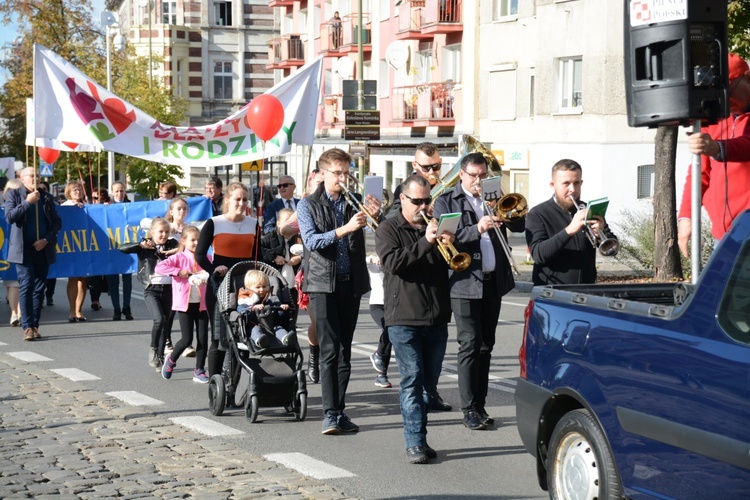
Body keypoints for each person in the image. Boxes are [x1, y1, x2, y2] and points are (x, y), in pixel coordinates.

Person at [433, 152, 524, 430]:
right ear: (461, 175)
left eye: (483, 175)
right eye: (473, 175)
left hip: (492, 282)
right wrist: (477, 228)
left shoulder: (492, 197)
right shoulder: (446, 201)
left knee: (486, 346)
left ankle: (480, 405)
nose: (478, 181)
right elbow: (444, 238)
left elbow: (519, 224)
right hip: (463, 283)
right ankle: (469, 408)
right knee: (470, 344)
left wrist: (503, 207)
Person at [296, 148, 380, 435]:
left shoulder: (351, 203)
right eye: (337, 173)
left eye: (346, 173)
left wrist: (373, 216)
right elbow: (311, 241)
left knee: (345, 350)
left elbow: (372, 234)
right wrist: (345, 229)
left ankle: (340, 411)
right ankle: (329, 414)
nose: (343, 179)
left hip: (350, 282)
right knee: (330, 350)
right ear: (321, 174)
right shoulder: (307, 205)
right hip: (321, 284)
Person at [375, 174, 452, 463]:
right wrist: (426, 242)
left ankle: (420, 435)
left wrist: (449, 241)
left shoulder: (434, 225)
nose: (423, 206)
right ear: (402, 199)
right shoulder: (388, 228)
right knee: (412, 380)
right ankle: (415, 442)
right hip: (404, 317)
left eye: (427, 200)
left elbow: (455, 263)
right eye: (417, 200)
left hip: (436, 316)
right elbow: (394, 263)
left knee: (429, 383)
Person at [678, 52, 750, 258]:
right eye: (720, 95)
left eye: (730, 91)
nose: (726, 101)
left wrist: (717, 148)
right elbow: (699, 171)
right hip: (724, 235)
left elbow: (746, 145)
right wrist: (686, 216)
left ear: (747, 78)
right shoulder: (715, 117)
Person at [196, 182, 260, 378]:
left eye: (245, 200)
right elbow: (199, 255)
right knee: (219, 338)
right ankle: (216, 385)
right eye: (237, 199)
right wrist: (214, 269)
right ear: (228, 200)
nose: (241, 203)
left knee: (242, 337)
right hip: (220, 286)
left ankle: (233, 385)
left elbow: (260, 258)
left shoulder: (253, 223)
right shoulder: (214, 223)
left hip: (245, 288)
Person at [525, 159, 616, 286]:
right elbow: (538, 255)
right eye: (566, 183)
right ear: (553, 185)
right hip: (551, 292)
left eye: (576, 183)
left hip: (586, 290)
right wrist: (569, 230)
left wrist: (601, 234)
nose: (572, 189)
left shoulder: (588, 209)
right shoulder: (538, 213)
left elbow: (612, 249)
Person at [4, 166, 62, 340]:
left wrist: (46, 239)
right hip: (23, 250)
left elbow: (57, 222)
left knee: (39, 288)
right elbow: (10, 217)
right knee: (27, 284)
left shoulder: (46, 197)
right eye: (31, 175)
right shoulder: (13, 195)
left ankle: (35, 325)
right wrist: (28, 202)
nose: (35, 178)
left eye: (37, 175)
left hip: (42, 248)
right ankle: (27, 326)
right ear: (22, 179)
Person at [280, 168, 326, 384]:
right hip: (312, 269)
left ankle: (330, 361)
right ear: (310, 183)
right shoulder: (306, 204)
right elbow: (285, 229)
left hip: (338, 270)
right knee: (317, 321)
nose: (322, 187)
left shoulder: (338, 201)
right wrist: (296, 228)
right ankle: (314, 357)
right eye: (318, 183)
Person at [120, 217, 179, 370]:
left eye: (166, 232)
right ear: (152, 232)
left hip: (170, 288)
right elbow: (122, 248)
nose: (163, 235)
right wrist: (140, 244)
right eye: (160, 232)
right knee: (159, 319)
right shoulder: (145, 245)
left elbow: (186, 247)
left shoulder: (172, 244)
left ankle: (160, 355)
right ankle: (153, 348)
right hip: (151, 288)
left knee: (166, 323)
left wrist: (173, 249)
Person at [155, 226, 210, 383]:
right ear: (184, 241)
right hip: (184, 305)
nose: (196, 242)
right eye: (193, 240)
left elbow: (212, 269)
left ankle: (199, 370)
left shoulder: (205, 257)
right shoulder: (179, 258)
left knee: (203, 338)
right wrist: (179, 272)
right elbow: (160, 267)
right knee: (187, 339)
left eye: (199, 240)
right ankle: (171, 360)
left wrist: (210, 274)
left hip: (202, 304)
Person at [165, 196, 193, 355]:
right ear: (171, 211)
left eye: (184, 208)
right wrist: (170, 230)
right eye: (178, 208)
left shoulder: (190, 228)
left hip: (185, 276)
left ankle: (186, 342)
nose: (182, 211)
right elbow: (146, 224)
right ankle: (167, 340)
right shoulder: (167, 228)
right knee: (170, 311)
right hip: (170, 275)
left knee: (186, 310)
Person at [237, 269, 294, 348]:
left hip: (271, 325)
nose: (262, 289)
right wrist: (252, 309)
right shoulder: (246, 300)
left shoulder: (272, 298)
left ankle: (286, 339)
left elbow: (279, 316)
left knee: (279, 328)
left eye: (264, 286)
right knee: (255, 330)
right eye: (258, 287)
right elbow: (241, 311)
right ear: (248, 288)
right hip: (254, 325)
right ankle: (260, 341)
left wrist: (282, 309)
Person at [261, 207, 303, 304]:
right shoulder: (271, 237)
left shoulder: (298, 237)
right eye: (287, 221)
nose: (290, 224)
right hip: (277, 285)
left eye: (293, 222)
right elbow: (259, 248)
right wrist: (274, 257)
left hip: (294, 285)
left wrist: (299, 258)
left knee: (293, 313)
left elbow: (309, 253)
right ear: (278, 223)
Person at [61, 181, 89, 323]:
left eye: (79, 190)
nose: (78, 192)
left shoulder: (88, 206)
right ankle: (72, 310)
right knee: (73, 277)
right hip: (72, 246)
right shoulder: (65, 207)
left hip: (86, 246)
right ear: (69, 193)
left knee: (83, 279)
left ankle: (79, 310)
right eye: (74, 190)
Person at [106, 181, 134, 321]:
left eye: (121, 191)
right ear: (112, 192)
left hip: (127, 247)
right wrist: (104, 207)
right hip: (112, 247)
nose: (119, 193)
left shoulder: (131, 205)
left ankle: (126, 307)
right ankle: (116, 309)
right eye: (116, 191)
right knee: (113, 281)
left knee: (127, 280)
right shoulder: (107, 206)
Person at [3, 179, 24, 326]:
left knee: (15, 284)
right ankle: (16, 313)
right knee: (16, 283)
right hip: (10, 252)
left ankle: (16, 313)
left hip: (13, 251)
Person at [88, 187, 111, 313]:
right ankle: (95, 300)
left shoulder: (109, 207)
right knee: (94, 276)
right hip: (93, 246)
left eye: (100, 198)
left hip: (108, 247)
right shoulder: (88, 208)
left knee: (108, 276)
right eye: (95, 198)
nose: (97, 200)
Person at [39, 181, 58, 308]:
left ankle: (49, 294)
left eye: (44, 189)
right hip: (31, 246)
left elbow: (56, 221)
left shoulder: (49, 200)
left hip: (47, 243)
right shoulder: (26, 200)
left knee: (49, 275)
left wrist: (47, 238)